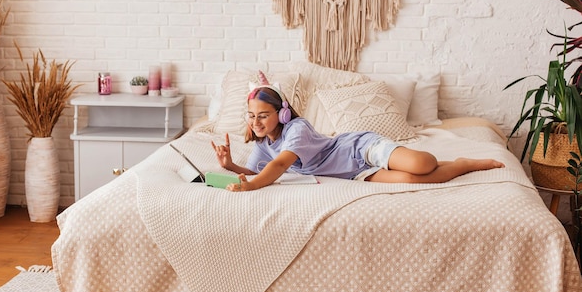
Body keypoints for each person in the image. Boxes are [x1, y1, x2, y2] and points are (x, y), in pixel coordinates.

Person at [211, 84, 505, 192]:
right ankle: (464, 164)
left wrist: (251, 188)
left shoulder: (296, 130)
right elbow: (258, 171)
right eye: (251, 116)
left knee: (422, 164)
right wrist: (233, 167)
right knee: (414, 181)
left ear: (282, 114)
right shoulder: (263, 145)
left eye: (263, 115)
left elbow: (276, 169)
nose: (256, 122)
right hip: (354, 174)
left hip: (360, 150)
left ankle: (461, 161)